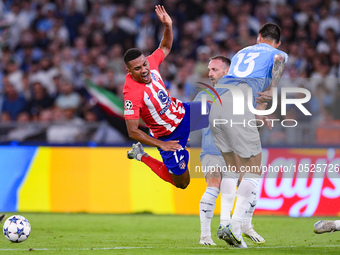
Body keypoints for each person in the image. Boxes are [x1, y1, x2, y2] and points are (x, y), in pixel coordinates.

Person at [209, 23, 288, 248]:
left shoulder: (241, 52)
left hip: (219, 105)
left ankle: (225, 222)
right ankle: (235, 225)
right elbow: (279, 62)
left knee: (232, 169)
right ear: (278, 42)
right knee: (253, 170)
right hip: (238, 107)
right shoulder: (277, 52)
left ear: (258, 37)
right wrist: (272, 88)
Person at [124, 5, 208, 189]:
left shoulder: (151, 62)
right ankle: (141, 155)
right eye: (137, 69)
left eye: (144, 64)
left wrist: (168, 26)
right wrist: (162, 144)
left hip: (183, 113)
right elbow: (132, 131)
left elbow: (165, 46)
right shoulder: (131, 92)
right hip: (169, 135)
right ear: (129, 71)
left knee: (224, 110)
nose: (144, 70)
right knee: (183, 183)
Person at [196, 56, 264, 246]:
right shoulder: (205, 93)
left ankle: (244, 225)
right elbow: (190, 116)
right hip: (212, 149)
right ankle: (205, 236)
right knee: (213, 184)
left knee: (251, 181)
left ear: (227, 72)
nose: (209, 74)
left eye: (214, 70)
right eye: (209, 70)